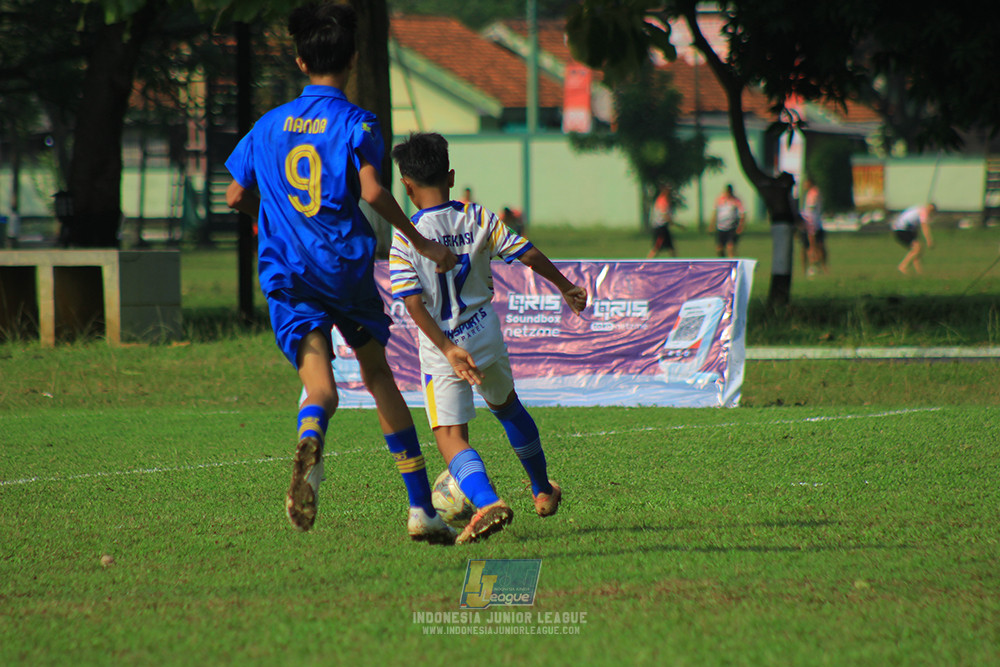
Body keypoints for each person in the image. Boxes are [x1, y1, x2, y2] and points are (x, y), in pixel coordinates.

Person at [224, 3, 459, 543]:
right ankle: (421, 509)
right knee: (378, 378)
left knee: (320, 388)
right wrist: (421, 241)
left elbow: (235, 192)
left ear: (301, 62)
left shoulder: (266, 125)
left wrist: (266, 219)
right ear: (353, 59)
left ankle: (312, 433)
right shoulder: (357, 122)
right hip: (344, 267)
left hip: (288, 271)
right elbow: (374, 192)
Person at [388, 132, 588, 544]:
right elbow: (526, 252)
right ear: (451, 175)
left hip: (445, 345)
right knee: (508, 407)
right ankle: (542, 489)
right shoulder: (476, 216)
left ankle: (485, 500)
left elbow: (411, 303)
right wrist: (565, 285)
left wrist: (447, 347)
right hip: (485, 329)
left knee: (450, 436)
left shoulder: (407, 236)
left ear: (406, 186)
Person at [892, 203, 936, 274]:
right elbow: (924, 227)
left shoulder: (917, 210)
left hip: (903, 229)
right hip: (902, 230)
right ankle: (902, 266)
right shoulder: (923, 212)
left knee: (917, 249)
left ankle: (919, 272)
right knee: (917, 248)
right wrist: (929, 240)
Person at [800, 178, 827, 276]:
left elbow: (811, 210)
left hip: (811, 223)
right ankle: (814, 267)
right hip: (811, 223)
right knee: (810, 246)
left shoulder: (813, 193)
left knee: (813, 246)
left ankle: (816, 266)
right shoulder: (810, 193)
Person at [646, 184, 682, 258]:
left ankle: (677, 264)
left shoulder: (665, 200)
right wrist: (676, 224)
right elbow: (665, 215)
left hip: (664, 227)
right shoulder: (662, 201)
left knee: (671, 248)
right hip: (660, 227)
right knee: (656, 247)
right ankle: (646, 263)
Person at [711, 184, 745, 257]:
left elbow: (742, 214)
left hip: (732, 226)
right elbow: (715, 212)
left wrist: (740, 226)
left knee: (730, 247)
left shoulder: (736, 201)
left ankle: (732, 264)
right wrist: (712, 225)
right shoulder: (720, 199)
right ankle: (722, 262)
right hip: (720, 227)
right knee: (719, 248)